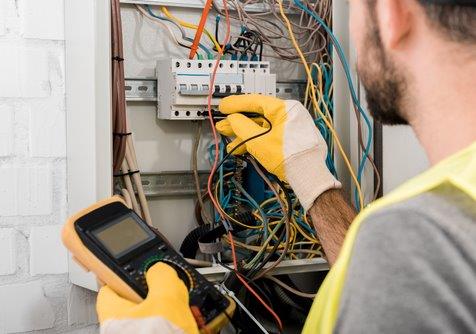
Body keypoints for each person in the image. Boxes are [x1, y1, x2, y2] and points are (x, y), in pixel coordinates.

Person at [96, 0, 476, 333]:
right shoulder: (439, 226)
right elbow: (376, 283)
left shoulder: (418, 238)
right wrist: (310, 174)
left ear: (394, 12)